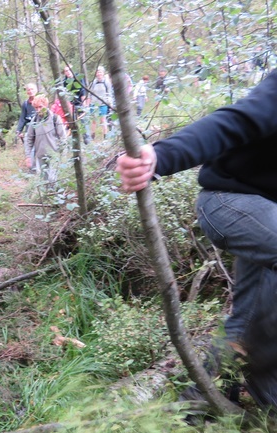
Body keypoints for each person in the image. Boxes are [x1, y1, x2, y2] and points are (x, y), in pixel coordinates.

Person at [115, 70, 277, 407]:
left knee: (248, 315)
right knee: (258, 322)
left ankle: (202, 402)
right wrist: (159, 157)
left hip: (268, 219)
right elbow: (234, 122)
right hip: (230, 201)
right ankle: (261, 373)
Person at [25, 95, 66, 184]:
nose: (38, 110)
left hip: (54, 154)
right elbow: (29, 138)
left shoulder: (55, 119)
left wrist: (63, 154)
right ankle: (47, 196)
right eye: (36, 108)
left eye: (40, 107)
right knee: (45, 180)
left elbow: (63, 137)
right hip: (41, 155)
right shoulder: (34, 120)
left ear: (46, 105)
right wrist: (28, 156)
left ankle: (55, 195)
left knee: (53, 179)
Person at [87, 66, 113, 140]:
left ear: (103, 73)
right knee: (94, 120)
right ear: (96, 73)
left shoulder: (106, 82)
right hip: (94, 104)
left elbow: (109, 94)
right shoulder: (93, 83)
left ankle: (105, 136)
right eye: (98, 72)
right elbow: (89, 94)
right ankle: (92, 136)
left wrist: (110, 104)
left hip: (103, 104)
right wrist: (88, 104)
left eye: (100, 72)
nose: (99, 73)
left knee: (103, 120)